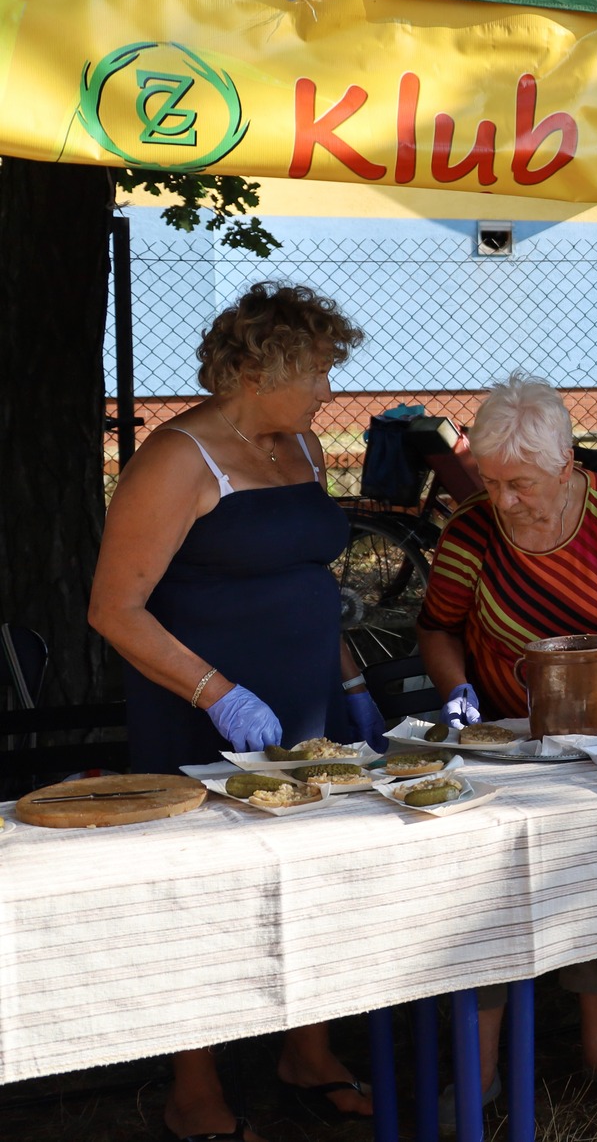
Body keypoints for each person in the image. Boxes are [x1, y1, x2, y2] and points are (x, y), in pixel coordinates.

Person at [89, 282, 378, 1142]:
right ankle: (194, 1087)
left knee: (315, 877)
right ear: (259, 370)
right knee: (203, 895)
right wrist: (217, 693)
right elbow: (114, 609)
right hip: (200, 712)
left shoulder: (305, 448)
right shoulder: (177, 458)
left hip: (306, 706)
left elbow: (308, 583)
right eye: (319, 370)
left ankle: (308, 1052)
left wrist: (351, 684)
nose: (329, 388)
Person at [416, 374, 597, 1112]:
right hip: (502, 744)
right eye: (490, 479)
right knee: (486, 898)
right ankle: (479, 1076)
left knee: (596, 888)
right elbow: (437, 626)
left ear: (567, 467)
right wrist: (454, 691)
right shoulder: (472, 530)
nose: (503, 500)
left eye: (521, 483)